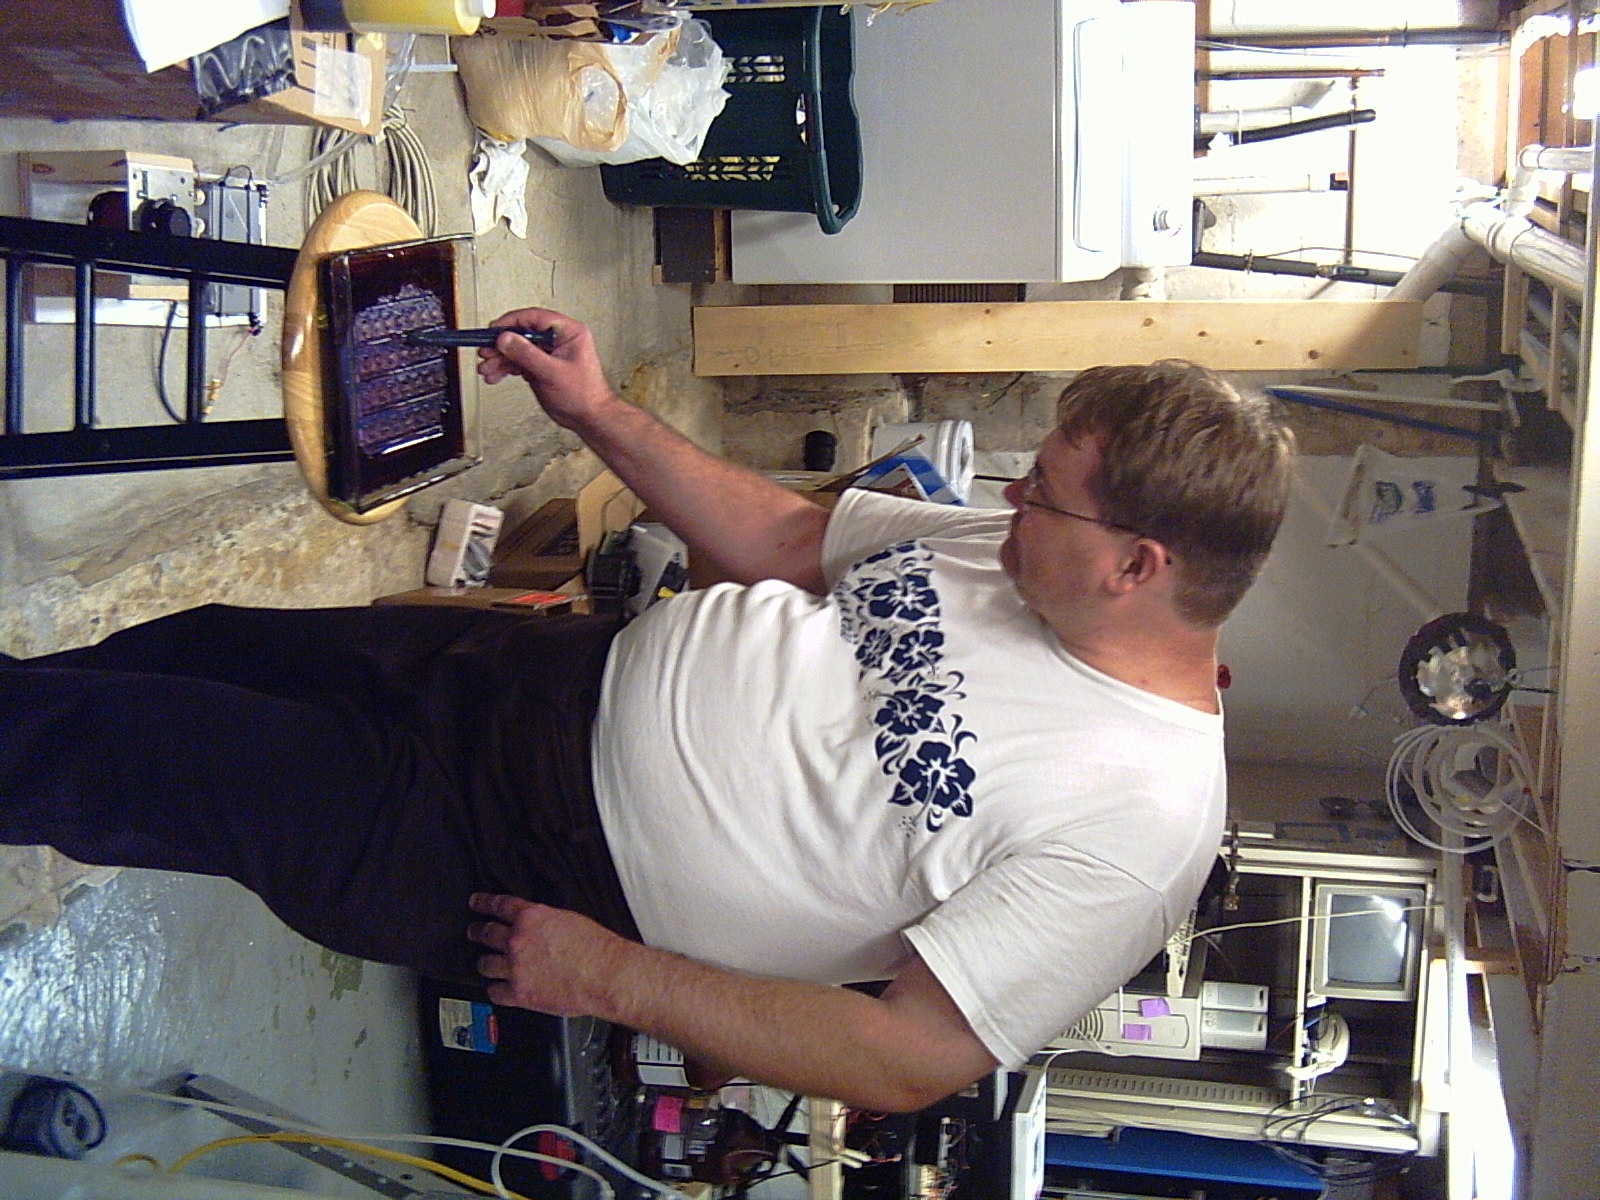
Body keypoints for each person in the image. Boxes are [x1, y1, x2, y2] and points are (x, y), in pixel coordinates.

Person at [0, 307, 1294, 1113]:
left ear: (1139, 567)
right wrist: (601, 413)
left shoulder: (1139, 830)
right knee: (174, 662)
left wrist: (615, 981)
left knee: (121, 755)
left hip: (522, 863)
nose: (1010, 501)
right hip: (524, 676)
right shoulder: (1014, 558)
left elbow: (911, 1056)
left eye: (1046, 496)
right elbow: (792, 539)